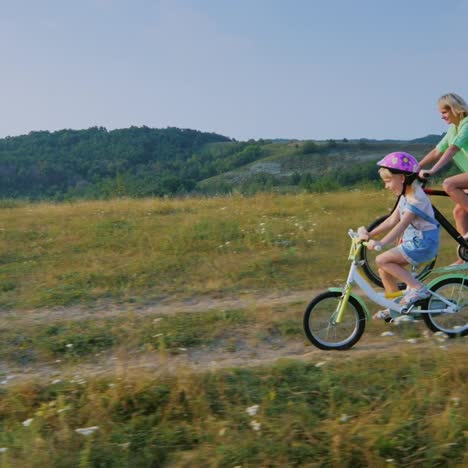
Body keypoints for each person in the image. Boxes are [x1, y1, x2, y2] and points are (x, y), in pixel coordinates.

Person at [358, 152, 440, 320]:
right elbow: (392, 220)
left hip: (423, 244)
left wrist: (381, 243)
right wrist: (368, 234)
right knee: (384, 269)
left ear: (402, 178)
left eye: (388, 181)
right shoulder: (406, 195)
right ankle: (396, 308)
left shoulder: (416, 199)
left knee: (382, 259)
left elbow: (401, 224)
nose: (386, 186)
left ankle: (417, 288)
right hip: (415, 242)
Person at [418, 93, 468, 263]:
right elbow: (437, 151)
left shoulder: (467, 124)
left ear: (455, 109)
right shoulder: (453, 129)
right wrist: (416, 166)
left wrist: (433, 170)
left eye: (444, 112)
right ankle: (465, 256)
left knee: (449, 184)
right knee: (459, 211)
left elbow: (452, 149)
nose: (442, 116)